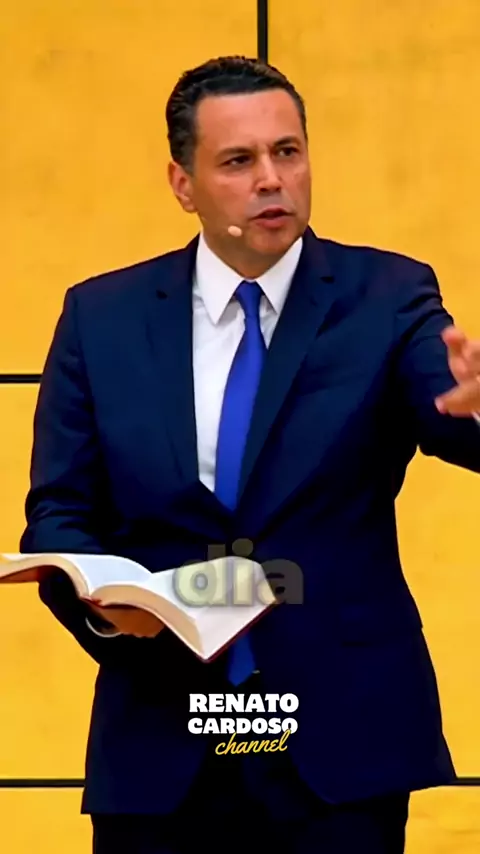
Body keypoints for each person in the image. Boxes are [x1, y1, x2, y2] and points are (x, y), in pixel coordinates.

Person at [20, 55, 480, 854]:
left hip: (342, 747)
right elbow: (61, 513)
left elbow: (451, 415)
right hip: (161, 739)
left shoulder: (388, 296)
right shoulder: (101, 317)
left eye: (287, 151)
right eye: (238, 160)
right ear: (183, 182)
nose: (272, 179)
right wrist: (106, 610)